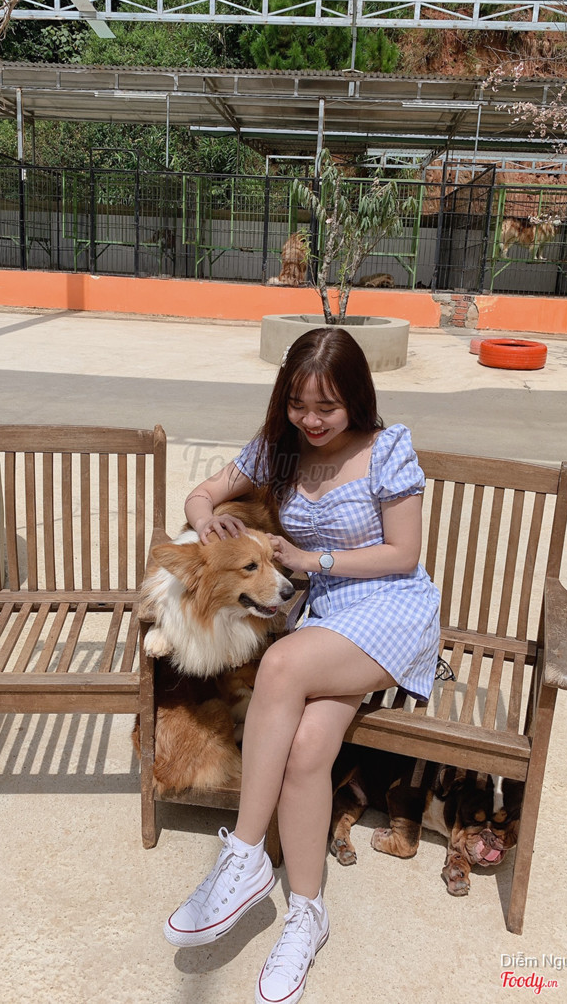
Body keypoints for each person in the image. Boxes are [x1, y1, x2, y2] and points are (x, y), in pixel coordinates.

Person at [163, 327, 440, 1004]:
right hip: (325, 618)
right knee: (309, 747)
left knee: (281, 666)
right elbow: (202, 493)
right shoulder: (277, 449)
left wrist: (314, 560)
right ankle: (307, 915)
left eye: (327, 408)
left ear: (356, 399)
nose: (311, 420)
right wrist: (208, 520)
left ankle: (244, 855)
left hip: (389, 609)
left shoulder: (387, 449)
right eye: (298, 404)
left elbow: (404, 554)